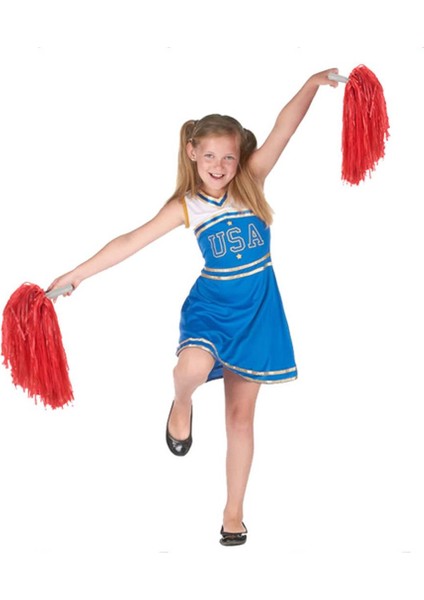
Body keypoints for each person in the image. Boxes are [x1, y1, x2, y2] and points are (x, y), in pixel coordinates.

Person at [48, 68, 340, 546]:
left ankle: (233, 513)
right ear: (192, 154)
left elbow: (284, 128)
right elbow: (130, 241)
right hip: (211, 307)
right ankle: (182, 403)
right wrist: (75, 274)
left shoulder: (251, 182)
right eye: (209, 156)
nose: (219, 166)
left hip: (258, 313)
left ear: (240, 157)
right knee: (191, 369)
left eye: (228, 157)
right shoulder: (187, 205)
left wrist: (311, 84)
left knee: (240, 418)